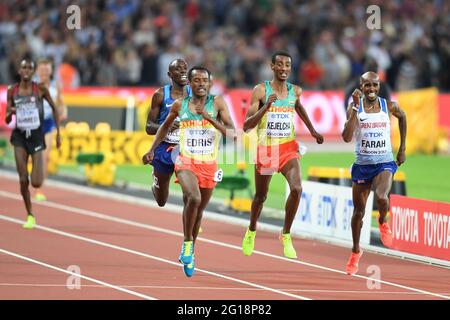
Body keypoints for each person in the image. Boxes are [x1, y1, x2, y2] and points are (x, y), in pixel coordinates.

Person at [143, 66, 236, 277]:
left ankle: (191, 250)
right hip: (185, 161)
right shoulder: (180, 105)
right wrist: (151, 150)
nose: (201, 84)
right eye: (197, 80)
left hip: (209, 164)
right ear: (190, 84)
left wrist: (210, 118)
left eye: (205, 80)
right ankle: (186, 243)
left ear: (210, 84)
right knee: (192, 198)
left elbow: (233, 133)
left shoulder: (218, 103)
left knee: (199, 210)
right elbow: (163, 127)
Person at [241, 50, 324, 259]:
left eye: (287, 65)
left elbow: (299, 107)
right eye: (280, 65)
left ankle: (286, 234)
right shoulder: (260, 91)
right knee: (261, 196)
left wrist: (313, 130)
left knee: (296, 188)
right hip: (267, 150)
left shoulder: (295, 91)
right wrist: (265, 107)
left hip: (287, 148)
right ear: (272, 66)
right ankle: (251, 230)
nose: (284, 69)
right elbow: (246, 126)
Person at [342, 71, 406, 275]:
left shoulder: (388, 106)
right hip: (363, 165)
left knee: (382, 197)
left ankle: (382, 221)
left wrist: (402, 148)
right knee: (358, 213)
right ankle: (355, 252)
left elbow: (403, 117)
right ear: (361, 86)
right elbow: (346, 136)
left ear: (379, 87)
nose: (371, 90)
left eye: (375, 86)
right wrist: (353, 107)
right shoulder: (354, 106)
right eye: (367, 86)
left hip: (384, 162)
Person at [5, 59, 61, 229]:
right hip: (20, 137)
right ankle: (30, 214)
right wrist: (12, 112)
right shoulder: (12, 91)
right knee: (23, 179)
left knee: (36, 182)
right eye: (24, 67)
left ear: (33, 71)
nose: (27, 70)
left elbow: (55, 108)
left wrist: (59, 133)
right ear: (19, 71)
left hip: (36, 136)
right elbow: (7, 118)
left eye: (30, 68)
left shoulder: (40, 89)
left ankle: (36, 187)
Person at [145, 59, 190, 207]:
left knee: (191, 193)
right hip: (164, 148)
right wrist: (166, 126)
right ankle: (156, 185)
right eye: (178, 69)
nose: (183, 71)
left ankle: (191, 223)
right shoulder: (160, 95)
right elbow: (148, 127)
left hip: (185, 150)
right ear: (169, 74)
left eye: (185, 68)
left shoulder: (195, 94)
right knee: (161, 200)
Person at [33, 58, 67, 201]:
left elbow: (61, 102)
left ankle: (39, 189)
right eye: (42, 69)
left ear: (51, 71)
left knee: (45, 156)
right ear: (37, 70)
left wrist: (63, 111)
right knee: (36, 156)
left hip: (48, 123)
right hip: (34, 123)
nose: (45, 72)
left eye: (47, 70)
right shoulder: (32, 84)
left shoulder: (55, 85)